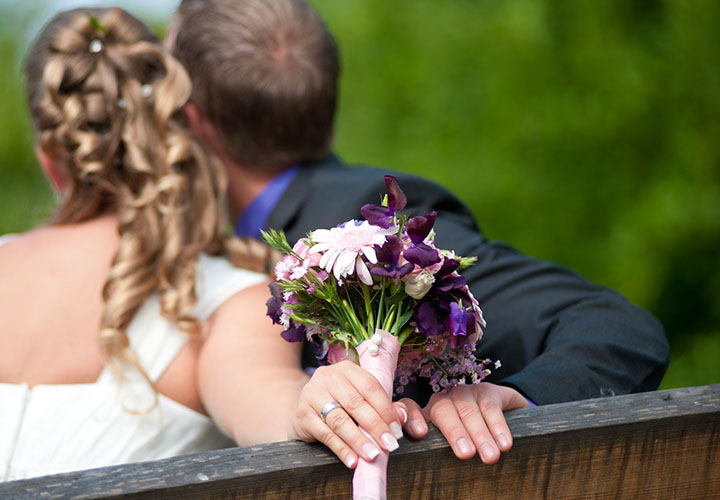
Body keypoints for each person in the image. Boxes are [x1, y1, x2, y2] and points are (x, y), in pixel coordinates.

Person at [169, 0, 670, 467]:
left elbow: (616, 326)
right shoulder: (199, 254)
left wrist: (518, 395)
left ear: (192, 123)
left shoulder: (377, 226)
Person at [0, 7, 315, 492]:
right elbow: (279, 413)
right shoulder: (227, 298)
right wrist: (321, 406)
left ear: (49, 159)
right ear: (171, 130)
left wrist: (297, 414)